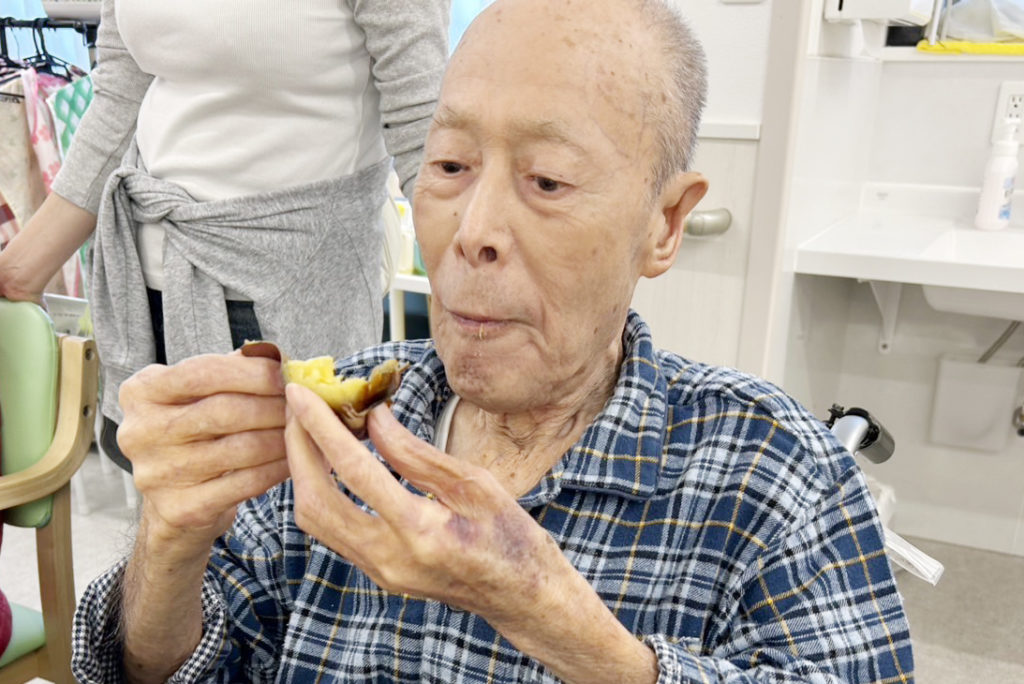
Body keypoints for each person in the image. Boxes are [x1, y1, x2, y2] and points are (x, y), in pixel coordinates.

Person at [70, 0, 915, 682]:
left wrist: (572, 634)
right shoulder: (333, 433)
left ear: (664, 224)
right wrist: (170, 542)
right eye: (448, 167)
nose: (473, 231)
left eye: (547, 180)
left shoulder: (777, 474)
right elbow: (159, 666)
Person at [0, 0, 450, 470]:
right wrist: (19, 272)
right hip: (148, 291)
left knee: (295, 502)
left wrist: (470, 309)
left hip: (289, 296)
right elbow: (119, 96)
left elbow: (425, 130)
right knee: (169, 507)